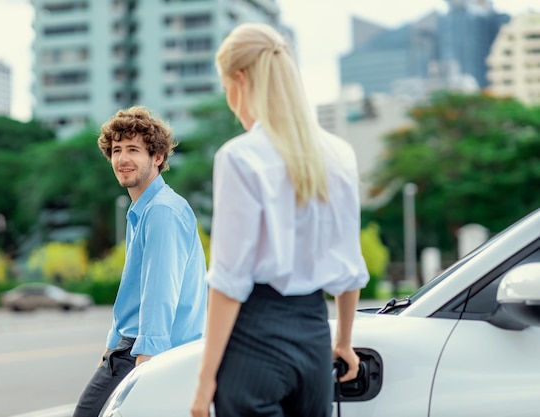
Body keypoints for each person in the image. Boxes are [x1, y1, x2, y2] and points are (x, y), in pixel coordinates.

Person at [190, 23, 370, 417]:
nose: (229, 102)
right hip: (314, 340)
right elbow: (350, 268)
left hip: (255, 340)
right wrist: (343, 340)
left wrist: (204, 383)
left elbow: (228, 280)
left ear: (239, 79)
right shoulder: (339, 154)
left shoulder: (240, 157)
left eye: (226, 90)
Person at [73, 106, 208, 417]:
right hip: (130, 350)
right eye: (116, 150)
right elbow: (135, 292)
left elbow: (159, 294)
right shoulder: (143, 211)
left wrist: (146, 366)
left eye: (133, 149)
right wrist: (109, 347)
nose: (122, 159)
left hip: (146, 354)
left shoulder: (162, 211)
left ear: (157, 157)